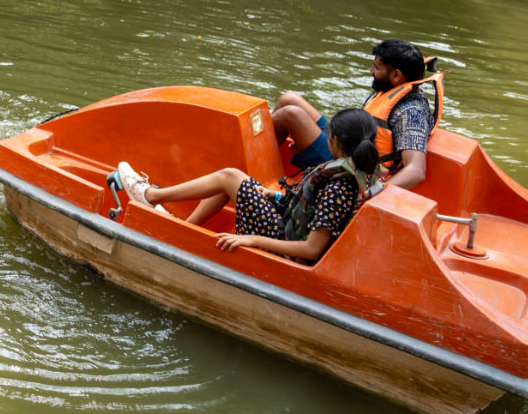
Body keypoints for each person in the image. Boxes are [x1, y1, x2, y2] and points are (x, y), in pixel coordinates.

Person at [120, 108, 383, 264]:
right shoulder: (362, 169)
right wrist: (276, 197)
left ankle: (151, 196)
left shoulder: (339, 188)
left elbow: (311, 249)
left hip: (284, 248)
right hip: (287, 227)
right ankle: (182, 230)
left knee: (229, 177)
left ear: (335, 142)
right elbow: (309, 212)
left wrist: (251, 239)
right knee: (232, 181)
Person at [272, 39, 436, 193]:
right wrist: (307, 133)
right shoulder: (392, 89)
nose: (371, 71)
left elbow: (416, 171)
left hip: (354, 170)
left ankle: (262, 179)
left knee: (290, 114)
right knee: (289, 98)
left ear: (396, 76)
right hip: (350, 146)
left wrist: (371, 194)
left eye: (377, 68)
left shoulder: (411, 112)